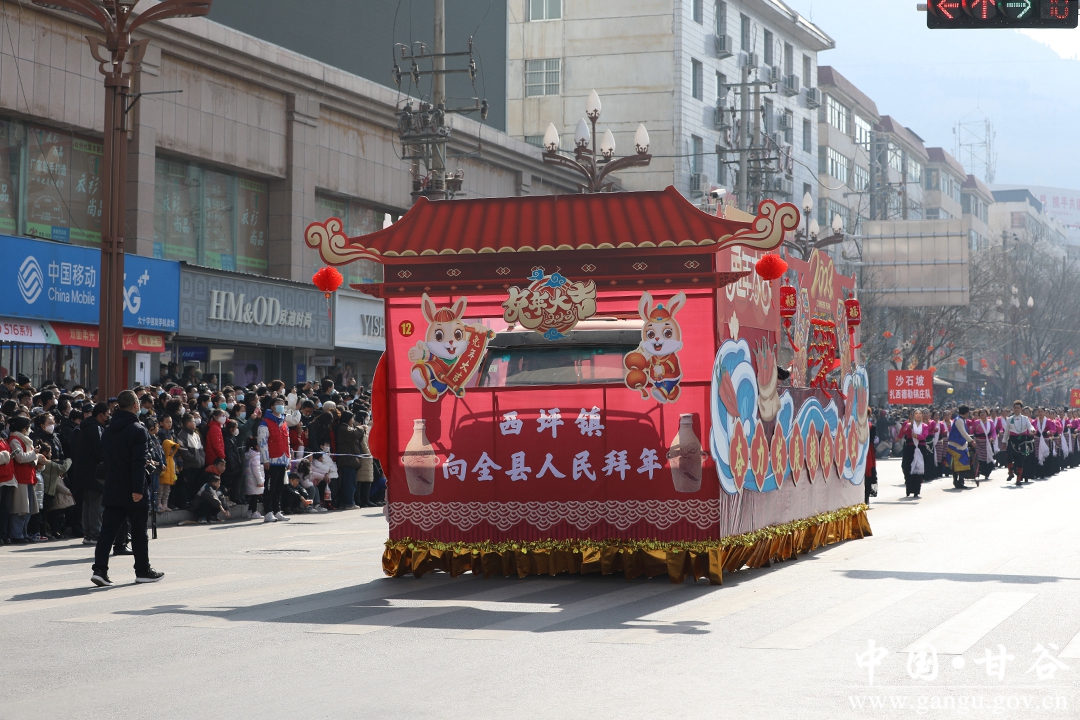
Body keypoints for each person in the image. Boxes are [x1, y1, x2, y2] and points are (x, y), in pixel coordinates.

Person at [91, 390, 163, 586]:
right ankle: (142, 570)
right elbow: (137, 462)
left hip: (113, 486)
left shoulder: (108, 430)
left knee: (108, 531)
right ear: (135, 405)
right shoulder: (138, 429)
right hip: (133, 487)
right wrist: (138, 489)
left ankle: (99, 569)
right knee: (139, 532)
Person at [75, 402, 109, 545]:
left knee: (87, 504)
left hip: (82, 471)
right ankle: (96, 533)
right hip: (94, 472)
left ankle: (88, 533)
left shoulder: (83, 427)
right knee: (96, 504)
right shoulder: (96, 428)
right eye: (107, 415)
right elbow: (100, 449)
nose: (108, 418)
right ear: (101, 415)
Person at [257, 396, 290, 522]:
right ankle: (268, 511)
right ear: (272, 407)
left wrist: (288, 459)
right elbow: (262, 442)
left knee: (279, 488)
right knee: (270, 488)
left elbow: (287, 442)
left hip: (282, 459)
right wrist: (265, 459)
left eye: (282, 403)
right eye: (278, 403)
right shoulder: (265, 423)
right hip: (272, 460)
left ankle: (277, 510)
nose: (281, 405)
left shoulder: (284, 423)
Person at [899, 409, 931, 499]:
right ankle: (909, 489)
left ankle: (917, 490)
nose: (918, 415)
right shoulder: (909, 425)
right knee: (907, 468)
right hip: (910, 448)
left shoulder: (924, 426)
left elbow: (924, 435)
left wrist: (917, 436)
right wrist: (910, 428)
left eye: (920, 414)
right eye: (916, 413)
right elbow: (905, 432)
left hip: (920, 448)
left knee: (918, 469)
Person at [946, 406, 976, 489]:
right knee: (958, 465)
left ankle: (959, 481)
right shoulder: (959, 420)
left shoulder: (961, 419)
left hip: (960, 445)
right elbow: (963, 433)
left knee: (959, 465)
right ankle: (958, 481)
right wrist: (971, 441)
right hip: (956, 445)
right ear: (966, 413)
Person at [242, 436, 265, 520]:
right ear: (257, 446)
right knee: (255, 497)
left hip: (252, 480)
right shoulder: (256, 457)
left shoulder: (251, 456)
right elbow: (256, 471)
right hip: (255, 481)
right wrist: (260, 481)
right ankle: (254, 512)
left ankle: (250, 511)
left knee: (254, 497)